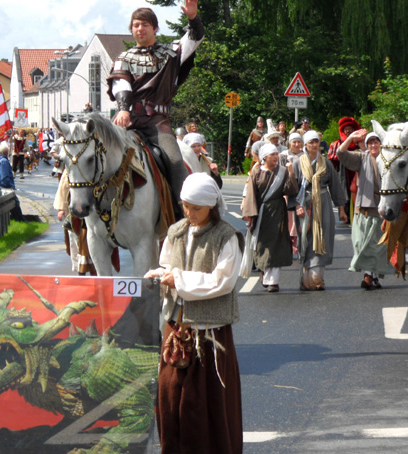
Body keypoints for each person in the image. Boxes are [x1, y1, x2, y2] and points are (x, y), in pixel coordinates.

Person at [144, 172, 242, 454]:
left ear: (211, 205)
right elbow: (167, 265)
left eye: (196, 208)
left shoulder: (227, 237)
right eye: (185, 206)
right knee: (170, 395)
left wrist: (180, 280)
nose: (189, 213)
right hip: (175, 327)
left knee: (203, 402)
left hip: (210, 331)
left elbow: (222, 281)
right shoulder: (175, 232)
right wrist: (159, 275)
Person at [107, 0, 204, 217]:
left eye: (144, 24)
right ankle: (84, 215)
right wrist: (123, 108)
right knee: (96, 153)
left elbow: (195, 37)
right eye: (135, 25)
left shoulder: (171, 53)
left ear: (155, 28)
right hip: (127, 121)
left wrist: (192, 17)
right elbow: (121, 85)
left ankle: (183, 215)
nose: (139, 29)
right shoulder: (122, 59)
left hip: (157, 123)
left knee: (176, 161)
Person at [337, 129, 395, 289]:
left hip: (382, 208)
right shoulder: (361, 158)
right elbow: (341, 155)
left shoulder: (388, 160)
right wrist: (350, 138)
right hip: (363, 208)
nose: (373, 145)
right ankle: (371, 275)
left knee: (377, 246)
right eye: (370, 142)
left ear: (381, 144)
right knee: (361, 243)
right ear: (367, 145)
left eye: (376, 142)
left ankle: (370, 276)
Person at [291, 130, 348, 290]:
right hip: (304, 203)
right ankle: (305, 277)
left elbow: (336, 187)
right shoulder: (297, 163)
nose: (314, 145)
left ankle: (317, 278)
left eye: (316, 142)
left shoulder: (326, 163)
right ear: (305, 145)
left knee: (323, 236)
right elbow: (293, 188)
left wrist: (342, 210)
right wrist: (297, 206)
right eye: (311, 142)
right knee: (305, 238)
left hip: (323, 203)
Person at [242, 143, 298, 292]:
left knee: (277, 244)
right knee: (262, 244)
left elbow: (291, 190)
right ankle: (264, 271)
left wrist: (291, 174)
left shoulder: (283, 171)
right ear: (264, 157)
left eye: (276, 154)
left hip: (278, 212)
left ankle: (273, 281)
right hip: (261, 213)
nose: (275, 157)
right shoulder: (256, 172)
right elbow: (251, 194)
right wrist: (249, 214)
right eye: (272, 154)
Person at [328, 116, 361, 224]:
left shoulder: (360, 143)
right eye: (346, 129)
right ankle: (345, 214)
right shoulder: (337, 144)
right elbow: (333, 162)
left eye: (350, 128)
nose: (348, 131)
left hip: (358, 173)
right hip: (343, 173)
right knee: (344, 193)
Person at [280, 132, 304, 255]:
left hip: (301, 189)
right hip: (287, 190)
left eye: (298, 142)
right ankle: (287, 241)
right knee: (287, 216)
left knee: (297, 217)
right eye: (294, 142)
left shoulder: (305, 156)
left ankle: (296, 242)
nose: (296, 144)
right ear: (289, 143)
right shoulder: (283, 156)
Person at [0, 143, 26, 222]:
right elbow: (4, 177)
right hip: (4, 188)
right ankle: (21, 221)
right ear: (6, 153)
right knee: (15, 203)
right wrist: (10, 186)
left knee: (12, 204)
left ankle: (18, 220)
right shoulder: (4, 161)